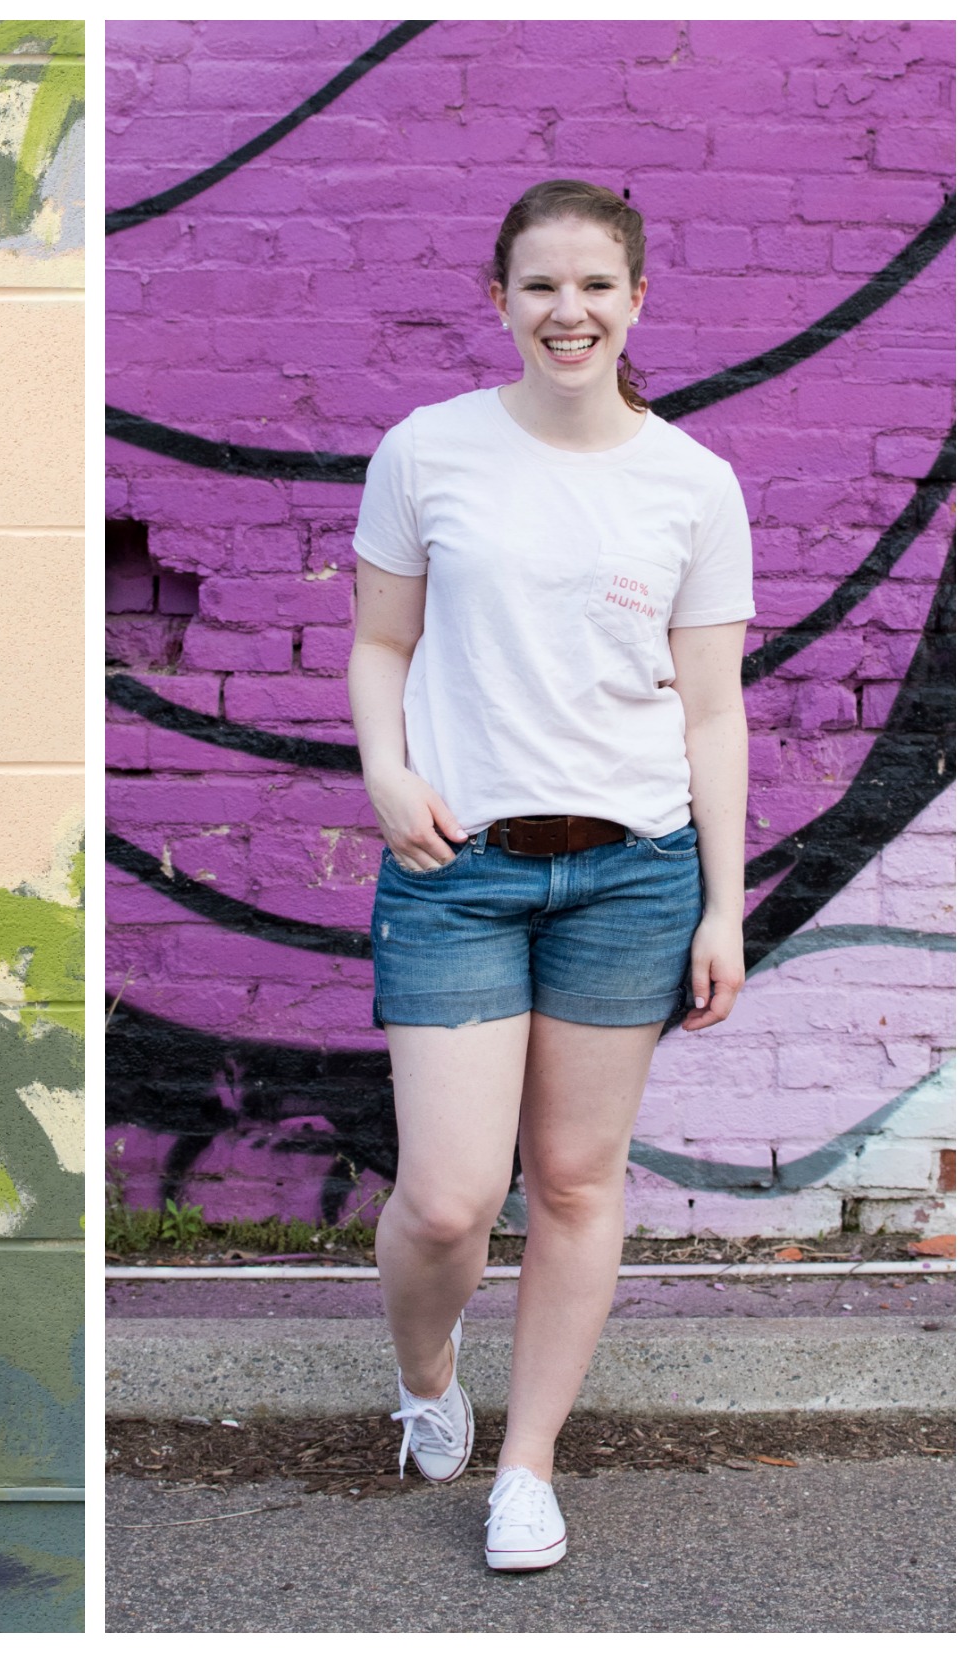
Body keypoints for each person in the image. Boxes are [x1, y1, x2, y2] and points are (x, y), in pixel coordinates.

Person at [347, 178, 752, 1571]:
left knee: (576, 1180)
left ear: (638, 299)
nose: (566, 311)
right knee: (451, 1197)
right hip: (456, 867)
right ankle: (426, 1373)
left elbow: (712, 714)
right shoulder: (427, 451)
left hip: (631, 874)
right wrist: (387, 771)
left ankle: (529, 1466)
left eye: (594, 286)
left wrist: (723, 900)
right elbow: (379, 646)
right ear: (500, 299)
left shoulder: (695, 485)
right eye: (539, 286)